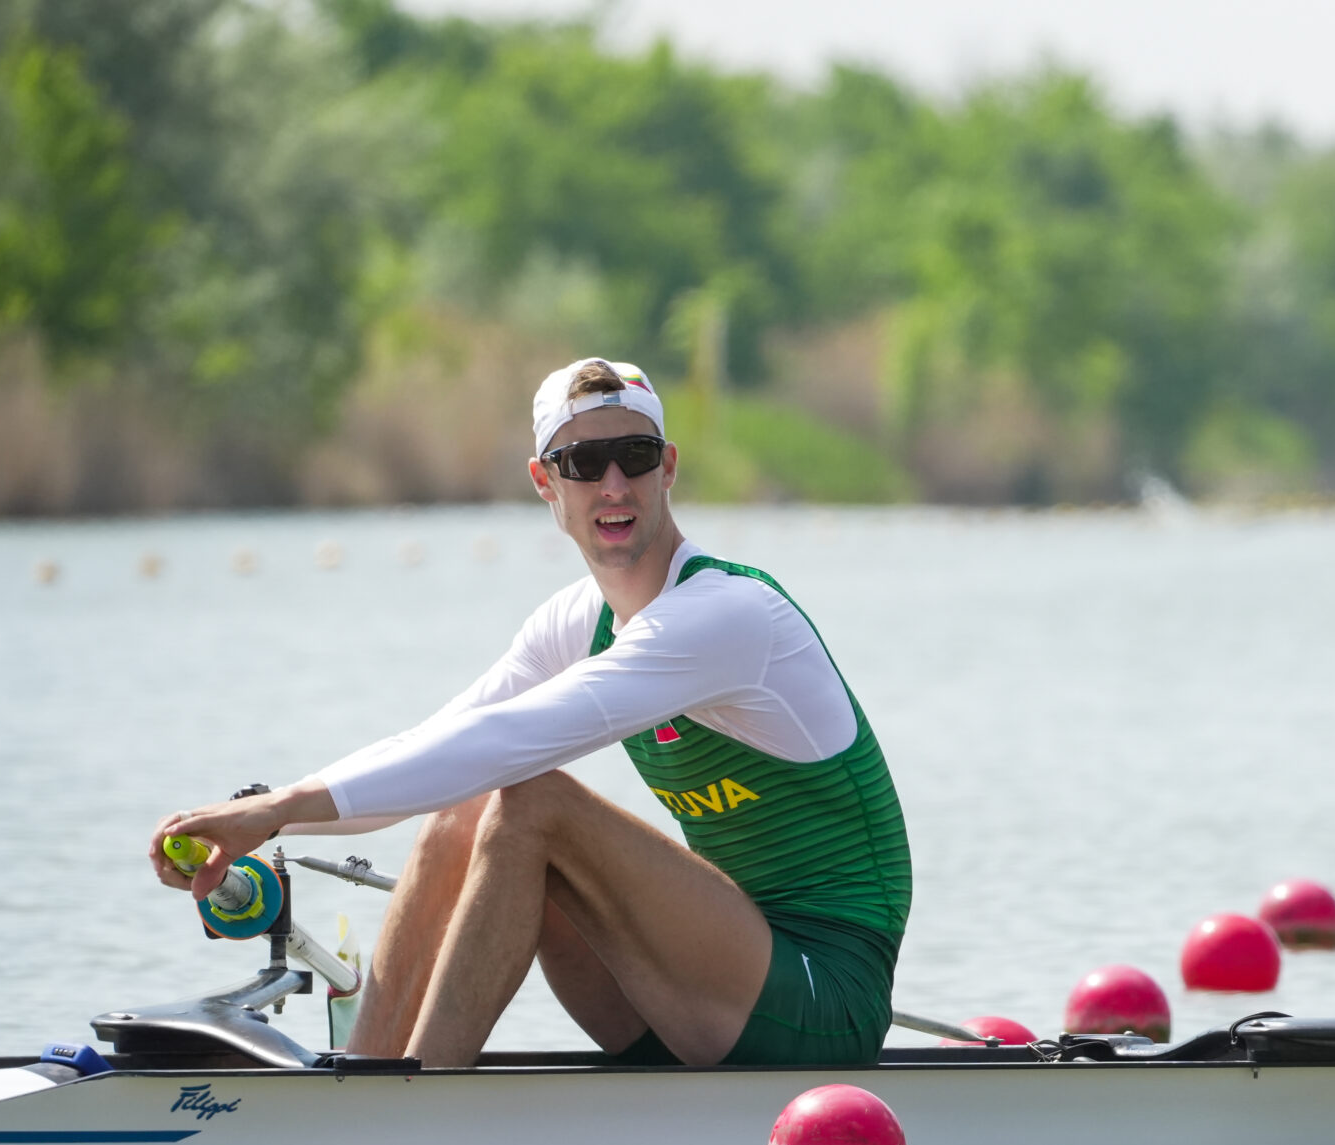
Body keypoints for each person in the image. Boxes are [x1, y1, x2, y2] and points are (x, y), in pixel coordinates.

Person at [148, 358, 912, 1070]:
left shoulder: (729, 614)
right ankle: (371, 1078)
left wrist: (280, 812)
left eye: (636, 457)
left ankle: (412, 1117)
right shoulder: (575, 621)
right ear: (546, 483)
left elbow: (508, 744)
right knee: (461, 804)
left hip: (824, 996)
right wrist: (256, 816)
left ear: (668, 467)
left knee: (528, 797)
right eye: (582, 463)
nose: (614, 483)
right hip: (696, 987)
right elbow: (440, 746)